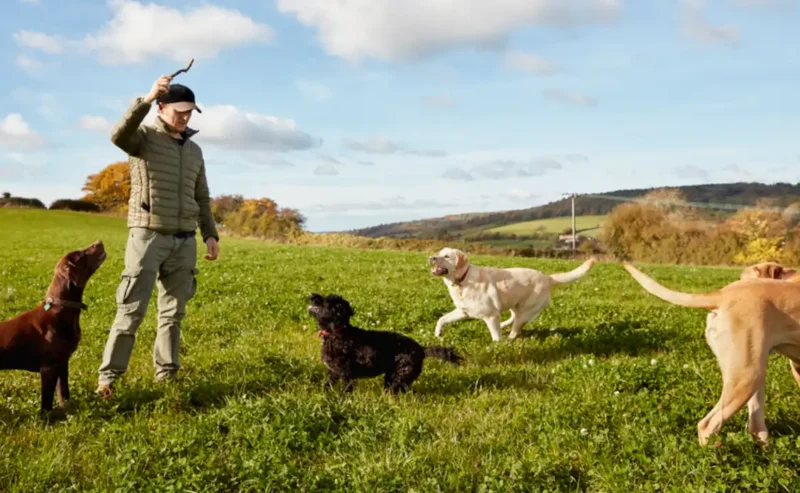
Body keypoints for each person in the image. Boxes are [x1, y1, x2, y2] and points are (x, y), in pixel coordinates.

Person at [96, 75, 219, 397]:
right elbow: (117, 135)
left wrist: (210, 234)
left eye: (190, 112)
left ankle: (167, 375)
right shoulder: (143, 139)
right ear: (162, 108)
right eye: (179, 110)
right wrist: (147, 96)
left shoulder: (194, 151)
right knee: (131, 310)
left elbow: (202, 197)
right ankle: (108, 380)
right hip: (148, 237)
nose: (185, 116)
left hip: (184, 241)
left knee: (173, 313)